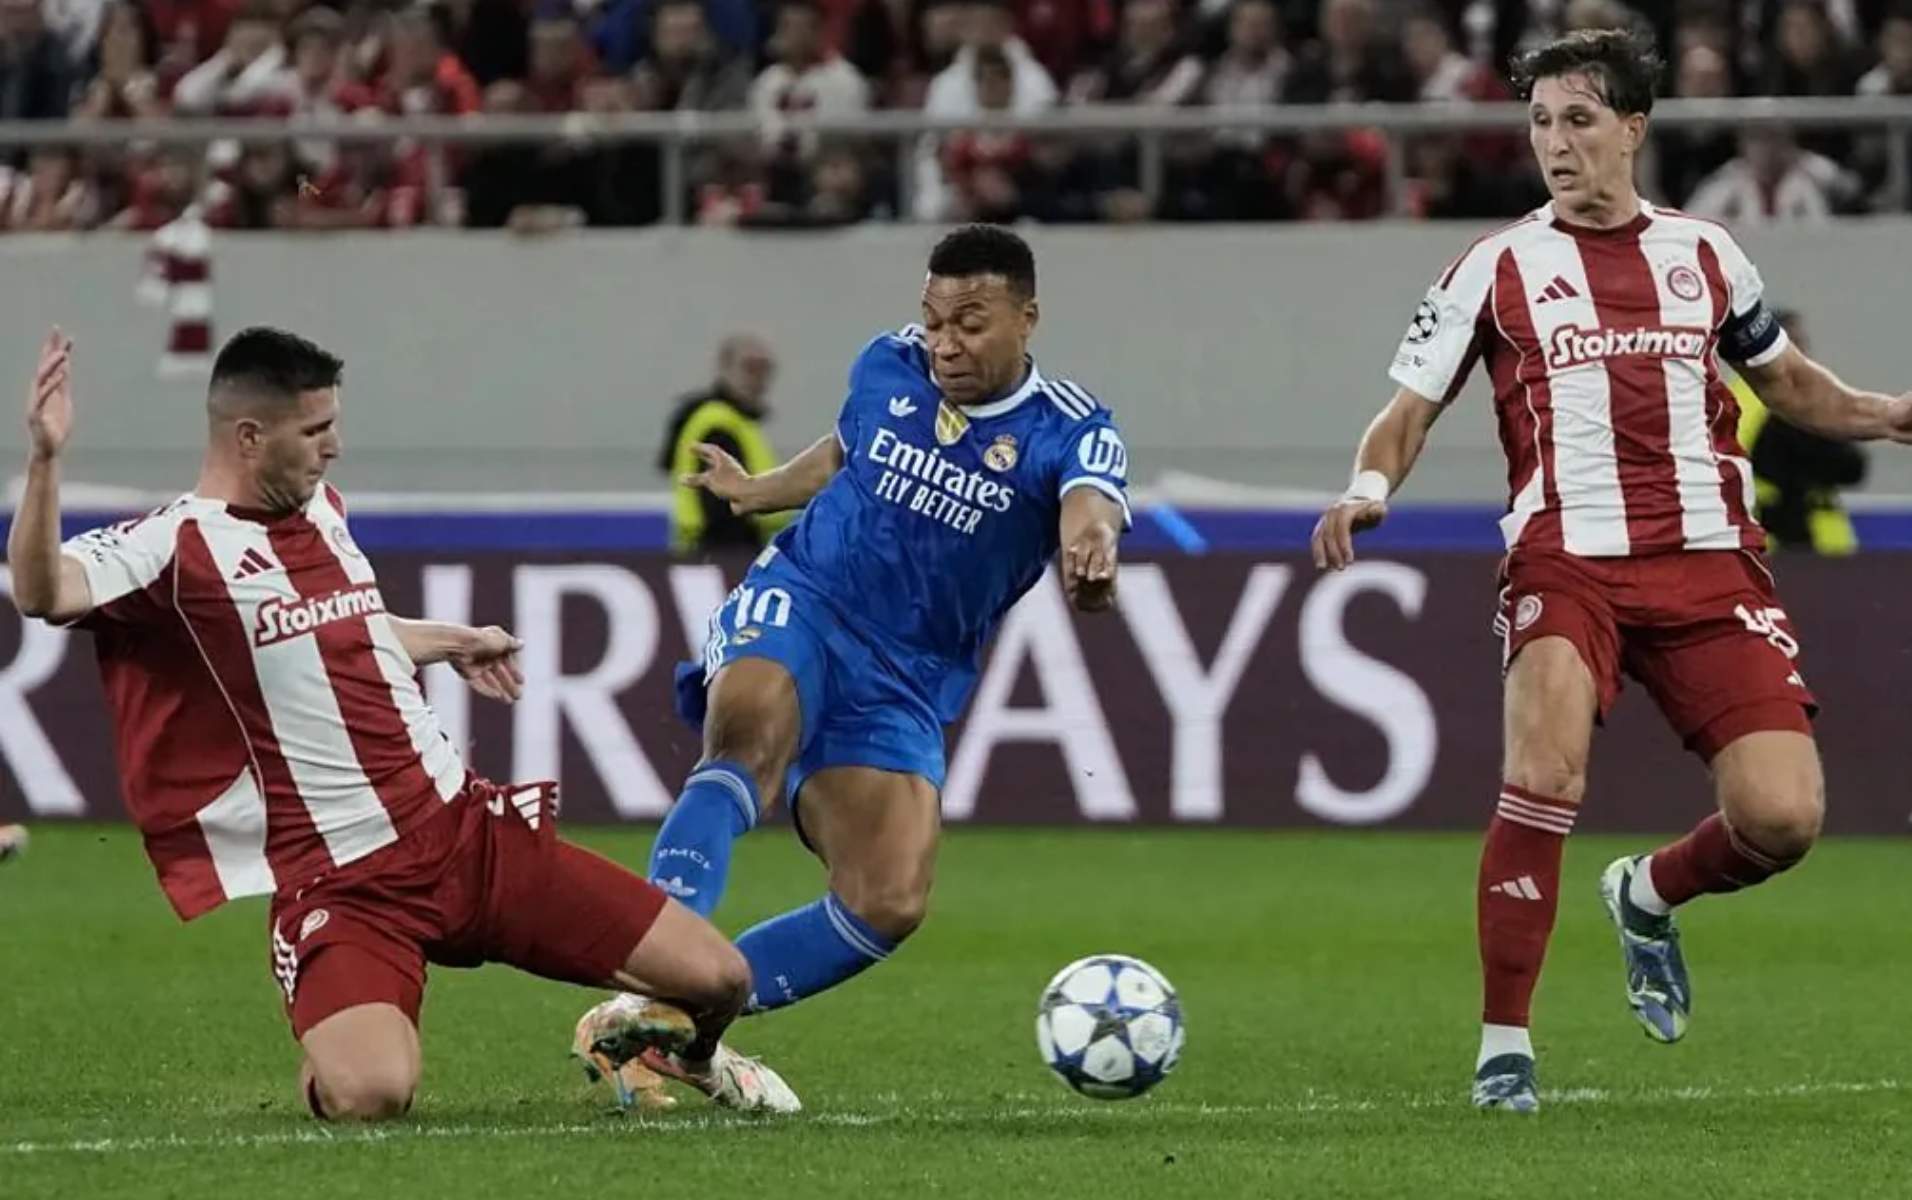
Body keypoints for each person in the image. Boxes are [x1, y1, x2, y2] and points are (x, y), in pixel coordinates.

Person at [1308, 28, 1912, 1114]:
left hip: (1709, 563)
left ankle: (1645, 890)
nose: (1555, 144)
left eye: (1577, 120)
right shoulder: (1494, 266)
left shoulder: (1706, 254)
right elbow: (1406, 411)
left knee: (1780, 820)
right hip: (1564, 558)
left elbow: (1792, 385)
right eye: (1538, 123)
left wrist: (1884, 417)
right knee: (1542, 772)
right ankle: (1503, 1049)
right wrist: (1365, 488)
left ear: (1632, 127)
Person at [7, 326, 800, 1119]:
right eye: (315, 431)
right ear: (249, 437)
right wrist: (45, 463)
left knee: (720, 978)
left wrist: (445, 640)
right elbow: (47, 592)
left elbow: (341, 627)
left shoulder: (323, 510)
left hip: (467, 834)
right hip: (345, 883)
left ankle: (672, 1053)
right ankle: (332, 1027)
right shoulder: (173, 546)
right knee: (374, 1094)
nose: (335, 448)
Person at [577, 225, 1129, 1075]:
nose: (945, 343)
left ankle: (680, 1025)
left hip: (907, 673)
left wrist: (1091, 556)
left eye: (971, 323)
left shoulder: (1071, 429)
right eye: (935, 318)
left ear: (1028, 319)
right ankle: (653, 971)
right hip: (805, 598)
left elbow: (1089, 508)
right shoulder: (887, 363)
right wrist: (756, 492)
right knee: (747, 739)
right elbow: (846, 449)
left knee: (889, 899)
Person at [1730, 309, 1866, 554]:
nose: (1801, 354)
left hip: (1761, 538)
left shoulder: (1730, 396)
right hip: (1797, 540)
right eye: (1793, 344)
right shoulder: (1791, 405)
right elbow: (1851, 467)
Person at [659, 333, 786, 556]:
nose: (758, 378)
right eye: (750, 367)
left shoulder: (738, 422)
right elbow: (723, 506)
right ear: (725, 367)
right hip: (720, 551)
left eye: (765, 369)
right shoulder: (717, 423)